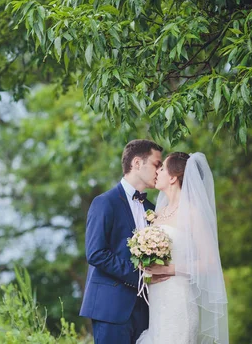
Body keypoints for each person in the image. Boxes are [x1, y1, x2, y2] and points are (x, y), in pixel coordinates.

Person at [137, 152, 229, 344]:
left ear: (172, 177)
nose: (157, 171)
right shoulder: (158, 212)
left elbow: (210, 263)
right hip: (157, 303)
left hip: (179, 300)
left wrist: (168, 269)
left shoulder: (193, 213)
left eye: (161, 168)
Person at [80, 139, 164, 343]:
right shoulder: (104, 202)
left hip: (147, 311)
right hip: (111, 308)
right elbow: (96, 253)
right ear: (137, 163)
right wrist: (140, 277)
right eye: (156, 164)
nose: (160, 170)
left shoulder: (153, 209)